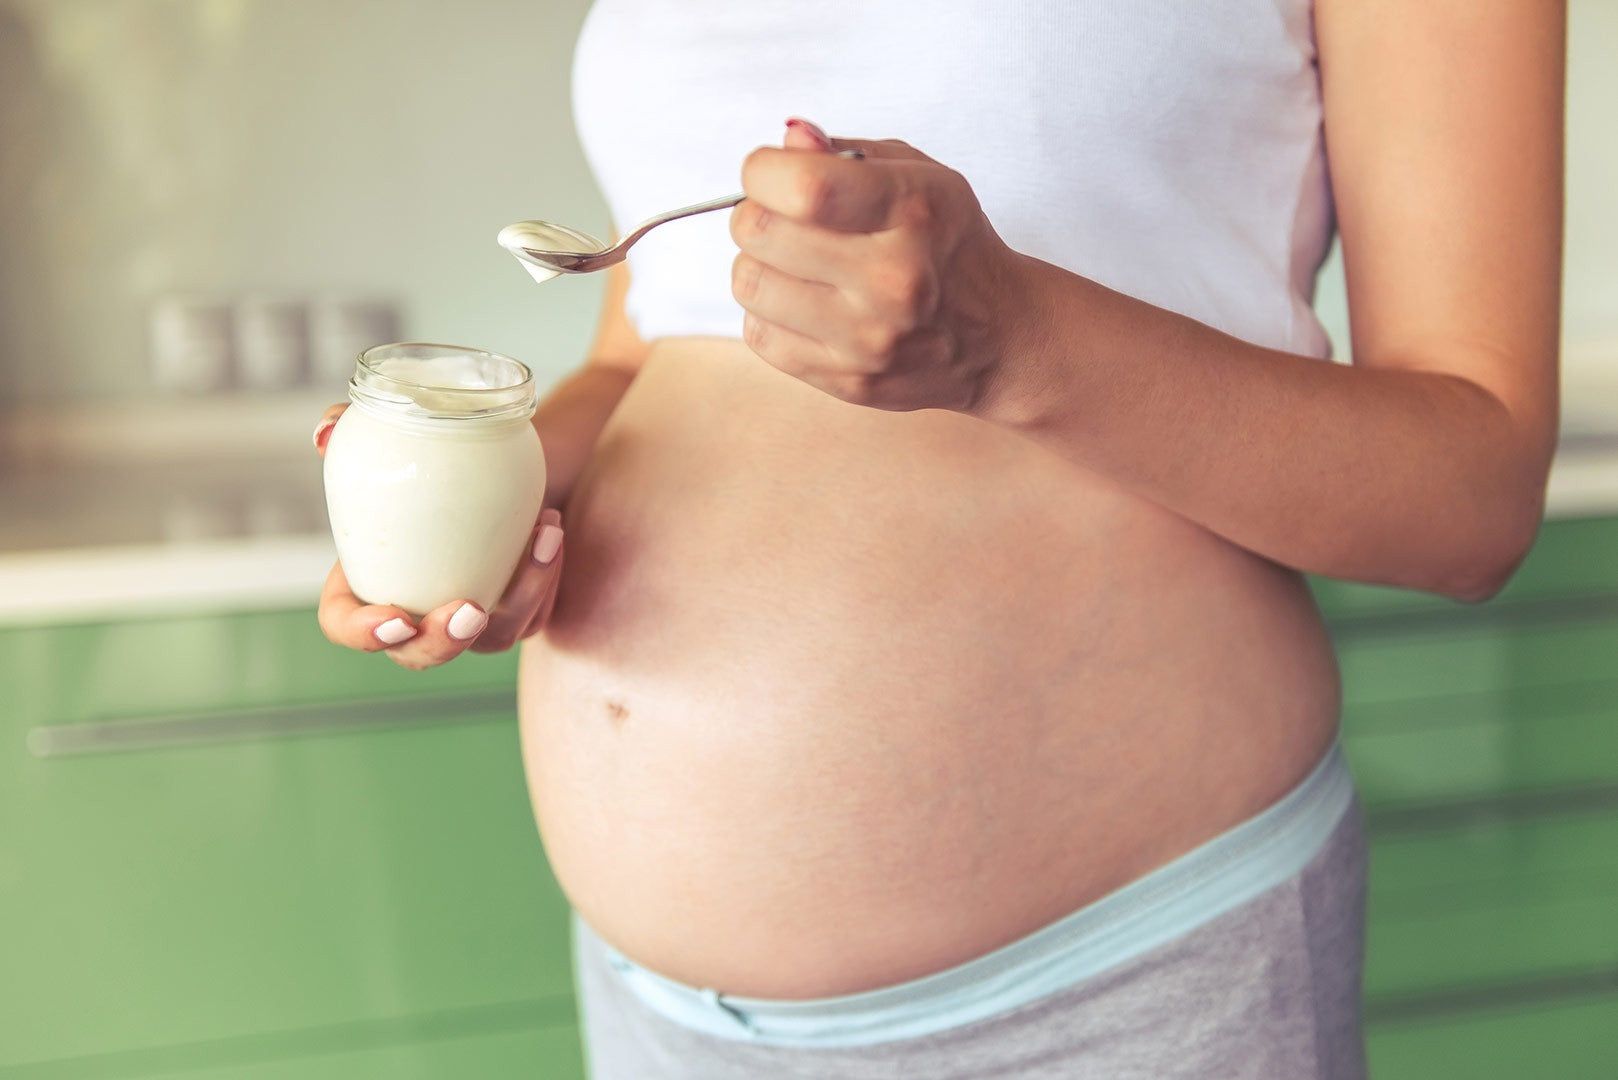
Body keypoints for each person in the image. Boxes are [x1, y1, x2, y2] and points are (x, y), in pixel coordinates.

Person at [311, 1, 1564, 1076]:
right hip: (659, 1016)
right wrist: (491, 499)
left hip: (1116, 988)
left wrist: (1014, 339)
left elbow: (1473, 496)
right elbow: (647, 347)